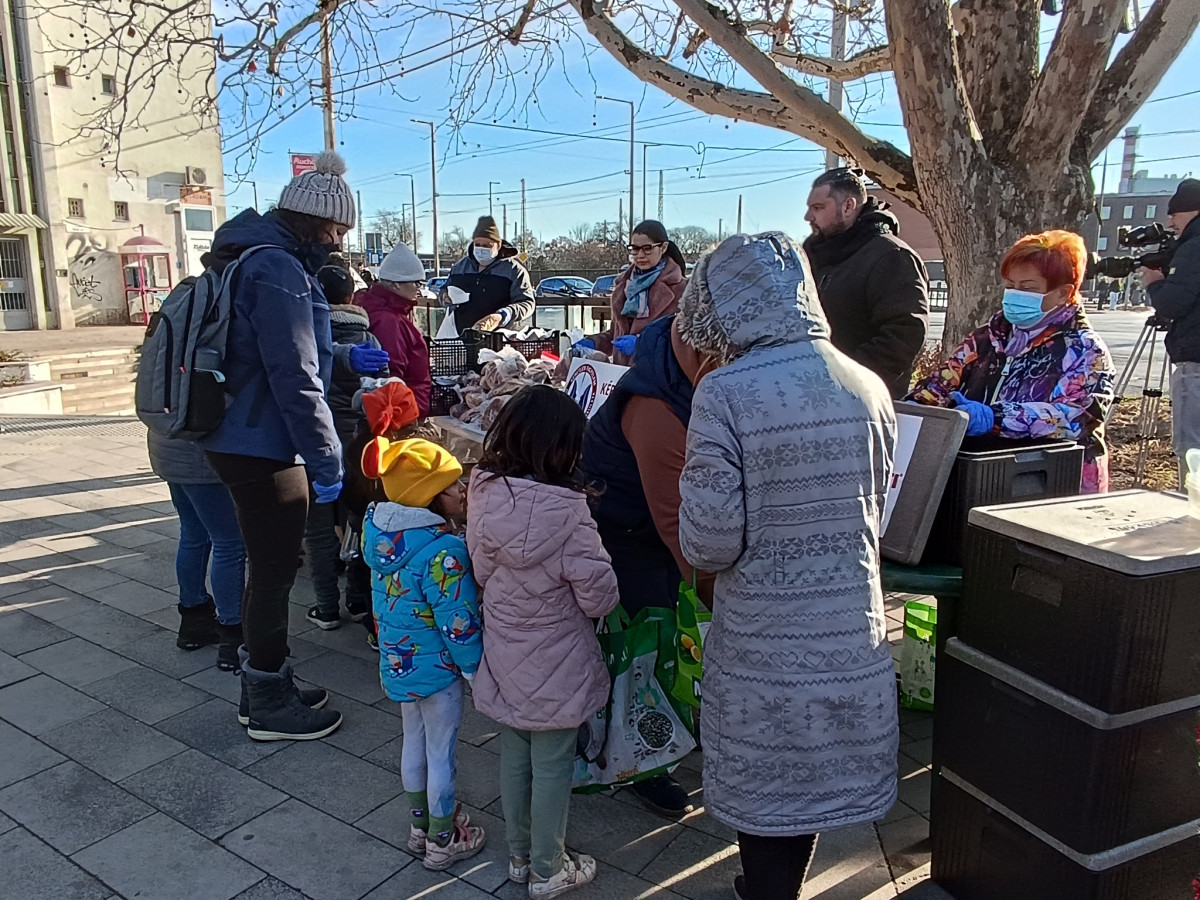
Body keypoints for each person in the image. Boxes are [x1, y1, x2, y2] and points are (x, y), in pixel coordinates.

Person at [676, 232, 898, 900]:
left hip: (766, 643)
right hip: (850, 631)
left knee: (772, 784)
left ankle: (769, 891)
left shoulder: (725, 394)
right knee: (815, 781)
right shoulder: (869, 385)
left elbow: (709, 544)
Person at [199, 150, 351, 742]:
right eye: (337, 229)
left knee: (268, 566)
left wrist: (341, 358)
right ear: (315, 222)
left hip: (242, 433)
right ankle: (266, 696)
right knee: (273, 569)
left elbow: (282, 354)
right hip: (260, 442)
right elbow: (293, 374)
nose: (338, 242)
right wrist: (326, 457)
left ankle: (267, 679)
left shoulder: (253, 255)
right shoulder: (279, 269)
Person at [467, 385, 619, 897]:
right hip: (558, 655)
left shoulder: (483, 493)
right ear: (565, 447)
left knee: (514, 752)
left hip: (505, 646)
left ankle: (518, 854)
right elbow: (599, 596)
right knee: (553, 764)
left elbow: (483, 571)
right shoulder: (570, 512)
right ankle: (548, 868)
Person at [578, 313, 715, 816]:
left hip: (651, 526)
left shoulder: (685, 374)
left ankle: (676, 726)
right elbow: (676, 523)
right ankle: (643, 760)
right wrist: (723, 604)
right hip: (626, 529)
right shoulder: (656, 406)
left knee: (669, 635)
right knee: (646, 645)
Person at [909, 230, 1116, 493]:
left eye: (1028, 288)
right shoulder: (986, 338)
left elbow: (1074, 418)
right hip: (985, 475)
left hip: (1055, 482)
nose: (1016, 295)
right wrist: (909, 407)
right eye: (1010, 286)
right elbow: (941, 384)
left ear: (1064, 293)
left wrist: (995, 417)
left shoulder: (1085, 349)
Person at [361, 437, 486, 870]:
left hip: (397, 663)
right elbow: (459, 622)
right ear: (430, 498)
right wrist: (474, 670)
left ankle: (419, 827)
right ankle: (443, 839)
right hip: (438, 672)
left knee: (412, 742)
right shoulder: (443, 552)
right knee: (441, 753)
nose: (463, 492)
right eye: (454, 487)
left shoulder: (380, 537)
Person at [304, 265, 389, 631]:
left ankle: (326, 608)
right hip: (360, 443)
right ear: (352, 298)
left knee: (319, 528)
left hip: (317, 440)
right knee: (360, 521)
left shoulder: (307, 336)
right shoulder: (369, 340)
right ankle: (358, 600)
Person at [803, 167, 929, 397]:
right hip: (811, 397)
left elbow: (902, 338)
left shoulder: (892, 256)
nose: (808, 217)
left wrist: (839, 377)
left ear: (848, 206)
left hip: (864, 403)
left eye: (818, 208)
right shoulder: (812, 256)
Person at [147, 429, 245, 672]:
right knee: (229, 543)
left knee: (193, 533)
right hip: (202, 457)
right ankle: (233, 636)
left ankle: (193, 621)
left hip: (168, 450)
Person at [1142, 178, 1200, 486]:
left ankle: (1193, 510)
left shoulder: (1193, 248)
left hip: (1195, 358)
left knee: (1192, 445)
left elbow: (1173, 302)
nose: (1170, 222)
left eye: (1174, 214)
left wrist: (1155, 284)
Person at [578, 221, 687, 365]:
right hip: (622, 375)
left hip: (659, 379)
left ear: (663, 247)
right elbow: (616, 335)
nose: (640, 255)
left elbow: (684, 342)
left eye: (647, 248)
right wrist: (593, 342)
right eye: (635, 249)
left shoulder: (683, 289)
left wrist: (641, 344)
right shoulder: (623, 285)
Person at [358, 242, 433, 416]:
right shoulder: (389, 321)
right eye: (416, 283)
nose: (419, 289)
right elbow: (392, 377)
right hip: (401, 412)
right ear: (397, 284)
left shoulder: (380, 309)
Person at [443, 216, 535, 334]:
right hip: (462, 337)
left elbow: (526, 303)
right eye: (478, 244)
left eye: (487, 245)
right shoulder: (459, 268)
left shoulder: (514, 271)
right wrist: (445, 296)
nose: (481, 249)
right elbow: (445, 289)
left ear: (499, 245)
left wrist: (502, 315)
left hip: (500, 339)